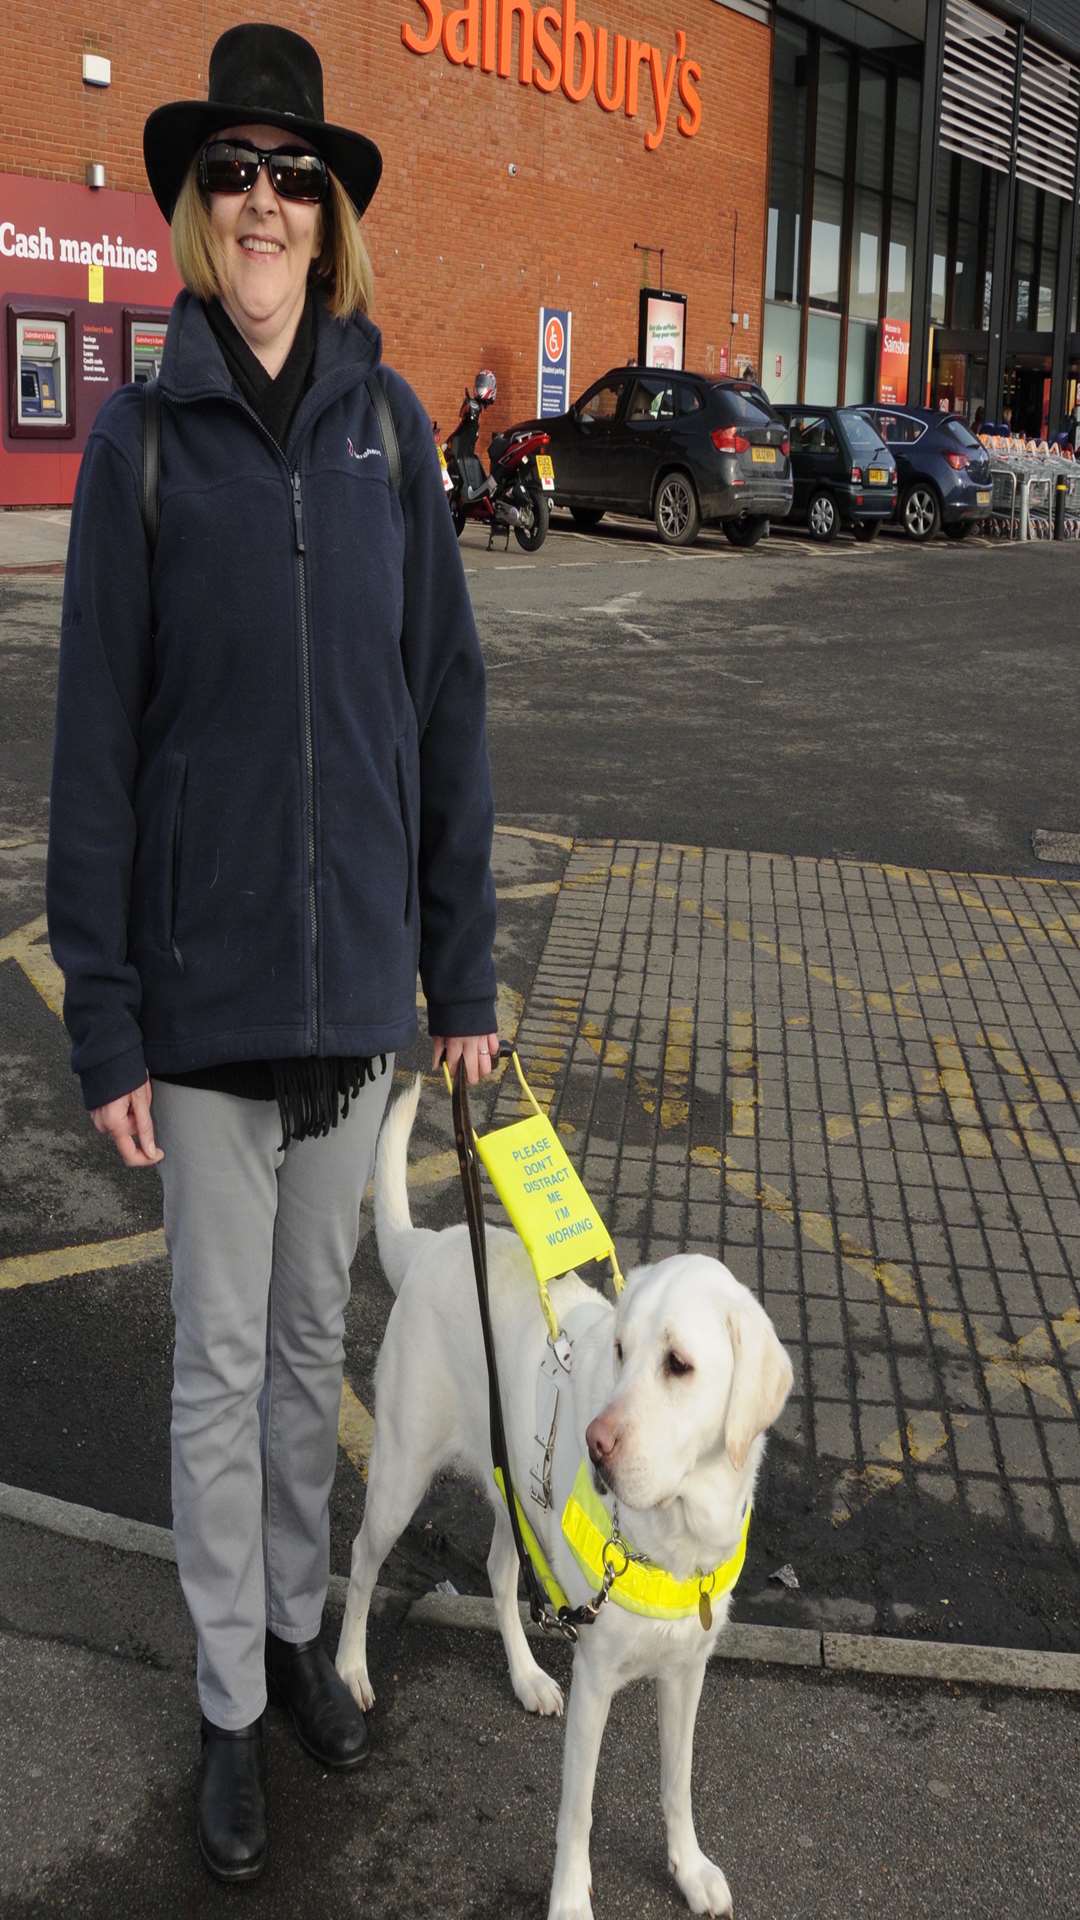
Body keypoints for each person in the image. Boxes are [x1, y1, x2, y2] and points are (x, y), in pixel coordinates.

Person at [45, 22, 499, 1886]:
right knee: (220, 1365)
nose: (259, 201)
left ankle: (305, 1636)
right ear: (193, 203)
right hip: (210, 1008)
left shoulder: (391, 437)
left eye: (288, 174)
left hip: (358, 1006)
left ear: (330, 216)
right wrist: (107, 1014)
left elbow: (447, 711)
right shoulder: (144, 448)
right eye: (230, 171)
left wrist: (458, 977)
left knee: (320, 1345)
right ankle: (229, 1702)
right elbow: (93, 743)